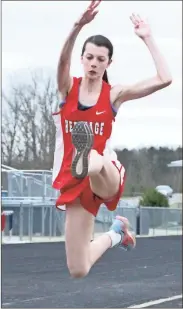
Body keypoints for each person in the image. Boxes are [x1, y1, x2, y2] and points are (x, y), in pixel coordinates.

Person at [52, 0, 172, 278]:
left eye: (100, 59)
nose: (94, 63)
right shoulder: (67, 88)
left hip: (105, 173)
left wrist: (148, 37)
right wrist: (77, 26)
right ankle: (118, 234)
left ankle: (88, 158)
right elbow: (61, 61)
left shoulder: (114, 94)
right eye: (89, 57)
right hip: (75, 181)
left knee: (94, 157)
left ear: (109, 62)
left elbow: (165, 78)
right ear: (81, 58)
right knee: (78, 269)